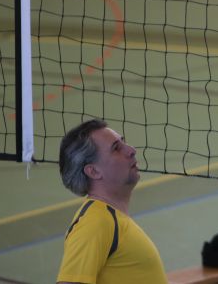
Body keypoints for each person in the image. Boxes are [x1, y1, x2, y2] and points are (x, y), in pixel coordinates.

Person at [57, 118, 167, 284]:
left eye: (123, 142)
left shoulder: (111, 217)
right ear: (94, 171)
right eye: (116, 148)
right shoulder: (95, 223)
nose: (131, 150)